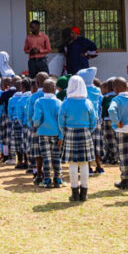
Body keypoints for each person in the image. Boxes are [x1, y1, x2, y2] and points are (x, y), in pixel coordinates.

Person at [58, 73, 97, 202]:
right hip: (85, 132)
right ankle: (84, 193)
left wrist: (64, 132)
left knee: (72, 163)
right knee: (85, 163)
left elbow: (60, 120)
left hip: (69, 132)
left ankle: (74, 193)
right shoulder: (88, 102)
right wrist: (88, 130)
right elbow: (94, 120)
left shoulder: (66, 103)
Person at [30, 75, 62, 188]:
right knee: (56, 157)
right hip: (57, 134)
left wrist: (36, 125)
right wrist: (61, 135)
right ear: (55, 90)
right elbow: (61, 121)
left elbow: (37, 118)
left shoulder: (39, 102)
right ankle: (58, 179)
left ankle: (47, 180)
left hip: (43, 133)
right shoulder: (59, 102)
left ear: (43, 90)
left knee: (46, 157)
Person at [109, 76, 128, 191]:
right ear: (126, 87)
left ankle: (124, 180)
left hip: (121, 130)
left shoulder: (116, 100)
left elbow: (111, 110)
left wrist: (116, 121)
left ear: (115, 89)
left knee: (123, 155)